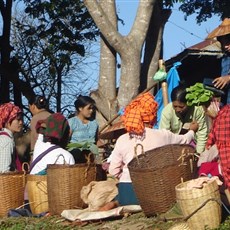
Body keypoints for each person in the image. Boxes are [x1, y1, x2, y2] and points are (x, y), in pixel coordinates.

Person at [108, 92, 199, 206]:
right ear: (153, 115)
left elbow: (113, 171)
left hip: (127, 192)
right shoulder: (162, 135)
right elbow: (185, 140)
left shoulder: (122, 139)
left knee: (118, 198)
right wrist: (192, 130)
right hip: (155, 192)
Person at [159, 84, 208, 154]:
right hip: (173, 144)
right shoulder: (167, 112)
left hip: (192, 143)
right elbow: (164, 136)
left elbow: (202, 133)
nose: (178, 109)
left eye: (181, 107)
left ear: (188, 103)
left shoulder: (197, 110)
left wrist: (198, 154)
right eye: (175, 106)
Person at [68, 95, 99, 163]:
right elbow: (66, 140)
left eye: (92, 108)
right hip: (75, 156)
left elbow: (96, 140)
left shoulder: (94, 123)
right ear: (80, 108)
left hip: (90, 156)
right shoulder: (72, 122)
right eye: (89, 108)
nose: (91, 111)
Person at [207, 18, 230, 104]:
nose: (226, 47)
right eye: (223, 44)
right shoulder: (225, 58)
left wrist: (228, 78)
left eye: (228, 43)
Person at [0, 102, 23, 172]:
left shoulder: (3, 137)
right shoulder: (7, 141)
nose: (21, 122)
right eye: (18, 120)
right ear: (7, 121)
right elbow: (4, 171)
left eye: (21, 119)